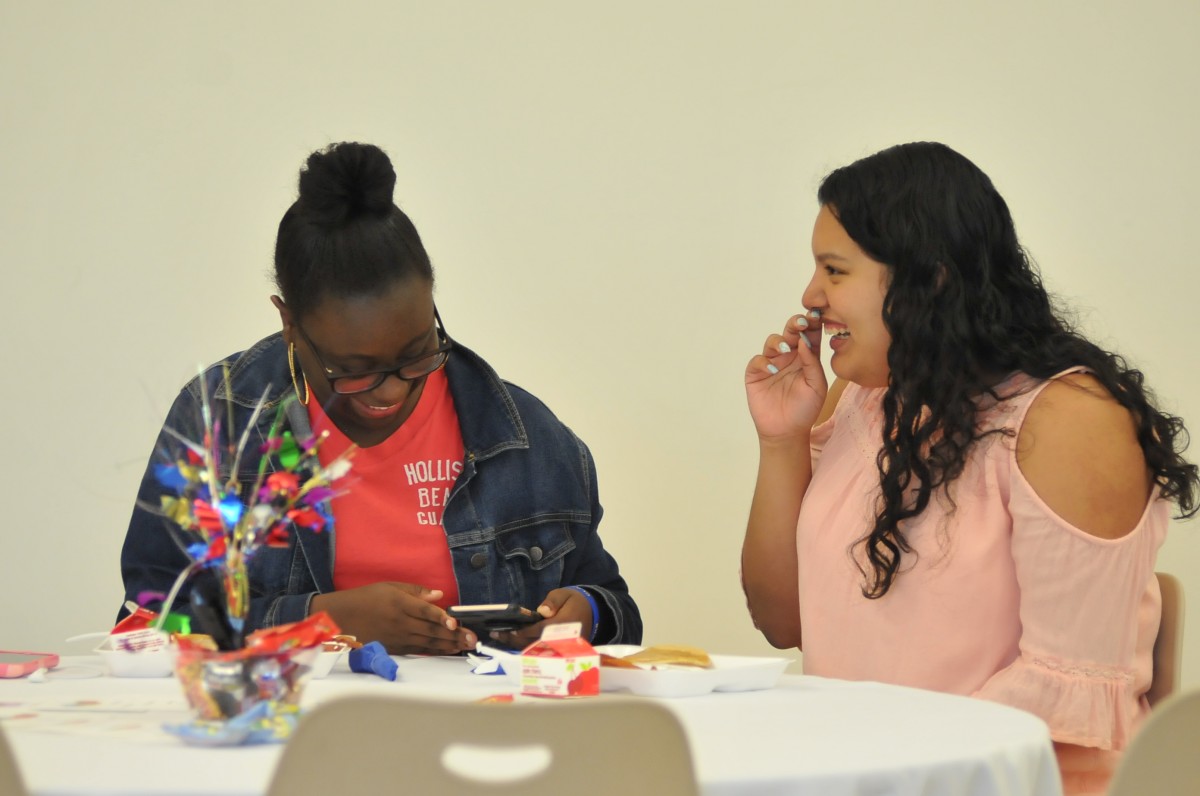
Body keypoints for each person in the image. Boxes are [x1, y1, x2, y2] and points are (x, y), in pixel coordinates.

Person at [741, 142, 1197, 795]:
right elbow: (783, 621)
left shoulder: (1070, 419)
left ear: (929, 278)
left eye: (835, 271)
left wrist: (875, 769)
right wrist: (781, 441)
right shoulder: (861, 402)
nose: (811, 296)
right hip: (869, 777)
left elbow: (1060, 692)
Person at [120, 142, 641, 654]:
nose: (392, 391)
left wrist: (586, 611)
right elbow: (149, 619)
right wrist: (319, 620)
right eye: (352, 371)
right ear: (289, 323)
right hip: (283, 732)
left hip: (478, 728)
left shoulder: (525, 440)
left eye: (417, 354)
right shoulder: (222, 424)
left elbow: (617, 609)